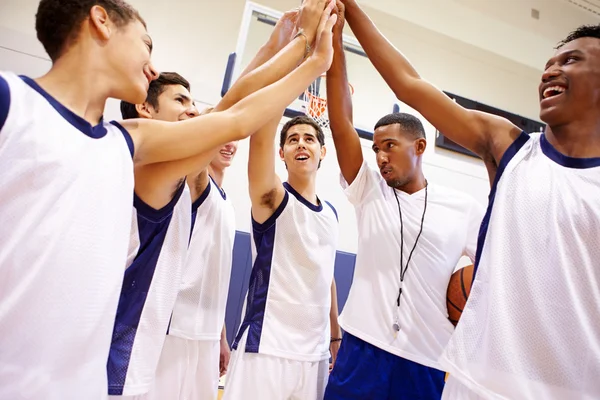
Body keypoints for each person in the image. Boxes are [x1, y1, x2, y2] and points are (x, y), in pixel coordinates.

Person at [0, 0, 338, 397]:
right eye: (146, 44)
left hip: (94, 376)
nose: (153, 66)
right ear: (101, 22)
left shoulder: (124, 144)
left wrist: (309, 57)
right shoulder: (13, 101)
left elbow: (234, 118)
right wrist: (300, 49)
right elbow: (231, 113)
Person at [340, 1, 600, 398]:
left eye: (571, 61)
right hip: (475, 382)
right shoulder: (510, 147)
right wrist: (350, 10)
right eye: (549, 62)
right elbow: (408, 83)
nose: (551, 70)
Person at [322, 3, 484, 399]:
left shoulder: (462, 206)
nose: (380, 157)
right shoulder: (369, 189)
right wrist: (336, 45)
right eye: (376, 148)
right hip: (362, 347)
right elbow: (341, 121)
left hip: (426, 359)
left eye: (390, 146)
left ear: (420, 147)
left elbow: (490, 276)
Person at [106, 72, 197, 398]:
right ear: (145, 108)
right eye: (180, 101)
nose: (193, 110)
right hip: (119, 353)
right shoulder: (153, 166)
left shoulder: (149, 161)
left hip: (138, 351)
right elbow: (235, 116)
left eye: (193, 102)